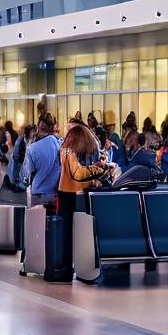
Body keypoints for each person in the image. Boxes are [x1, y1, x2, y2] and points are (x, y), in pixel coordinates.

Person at [57, 123, 110, 276]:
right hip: (68, 196)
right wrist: (98, 170)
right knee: (68, 234)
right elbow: (77, 174)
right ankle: (66, 268)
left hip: (70, 194)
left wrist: (95, 175)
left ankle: (69, 267)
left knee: (70, 234)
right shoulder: (67, 151)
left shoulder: (68, 151)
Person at [21, 116, 61, 207]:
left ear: (38, 128)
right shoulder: (60, 144)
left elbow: (26, 173)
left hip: (38, 192)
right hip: (56, 193)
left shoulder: (32, 148)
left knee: (37, 220)